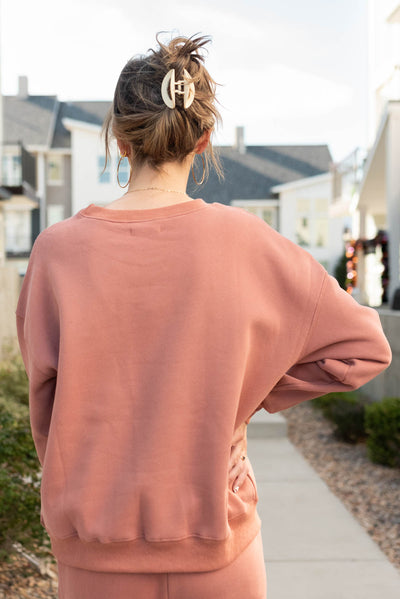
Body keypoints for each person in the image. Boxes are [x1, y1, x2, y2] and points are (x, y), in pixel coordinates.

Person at [15, 33, 391, 599]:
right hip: (222, 551)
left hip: (96, 553)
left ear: (120, 139)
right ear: (204, 138)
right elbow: (366, 347)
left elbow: (45, 398)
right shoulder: (244, 240)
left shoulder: (56, 251)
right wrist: (244, 391)